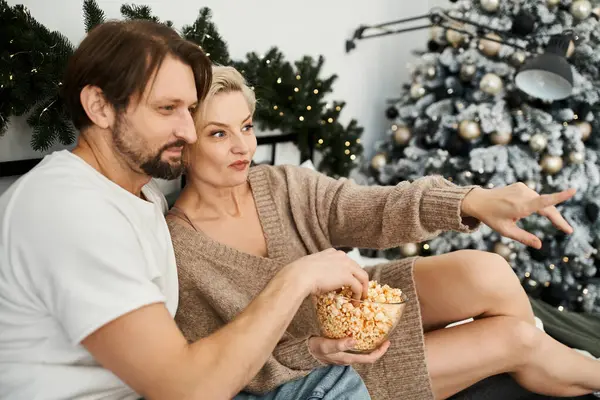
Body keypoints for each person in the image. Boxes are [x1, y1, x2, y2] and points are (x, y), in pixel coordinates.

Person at [167, 65, 600, 400]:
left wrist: (470, 201)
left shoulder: (279, 184)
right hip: (331, 369)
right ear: (182, 143)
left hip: (363, 307)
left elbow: (370, 207)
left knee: (488, 271)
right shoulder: (182, 252)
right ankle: (541, 367)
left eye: (245, 126)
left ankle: (530, 370)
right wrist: (312, 350)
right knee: (517, 338)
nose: (243, 147)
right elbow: (229, 369)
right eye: (218, 134)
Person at [0, 21, 373, 400]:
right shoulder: (69, 212)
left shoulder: (143, 192)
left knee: (328, 379)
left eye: (191, 110)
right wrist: (296, 279)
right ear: (99, 106)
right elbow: (186, 389)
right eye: (167, 109)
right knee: (332, 388)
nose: (189, 131)